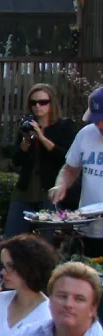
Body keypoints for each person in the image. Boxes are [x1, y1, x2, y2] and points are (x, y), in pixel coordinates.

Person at [6, 83, 76, 237]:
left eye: (43, 102)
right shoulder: (27, 126)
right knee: (13, 236)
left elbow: (66, 157)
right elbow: (16, 161)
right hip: (25, 189)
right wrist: (26, 142)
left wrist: (42, 138)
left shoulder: (64, 126)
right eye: (33, 102)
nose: (38, 106)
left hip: (50, 190)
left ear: (52, 103)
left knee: (46, 239)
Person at [49, 87, 103, 253]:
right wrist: (61, 185)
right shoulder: (86, 134)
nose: (99, 125)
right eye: (96, 120)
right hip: (87, 229)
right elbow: (70, 169)